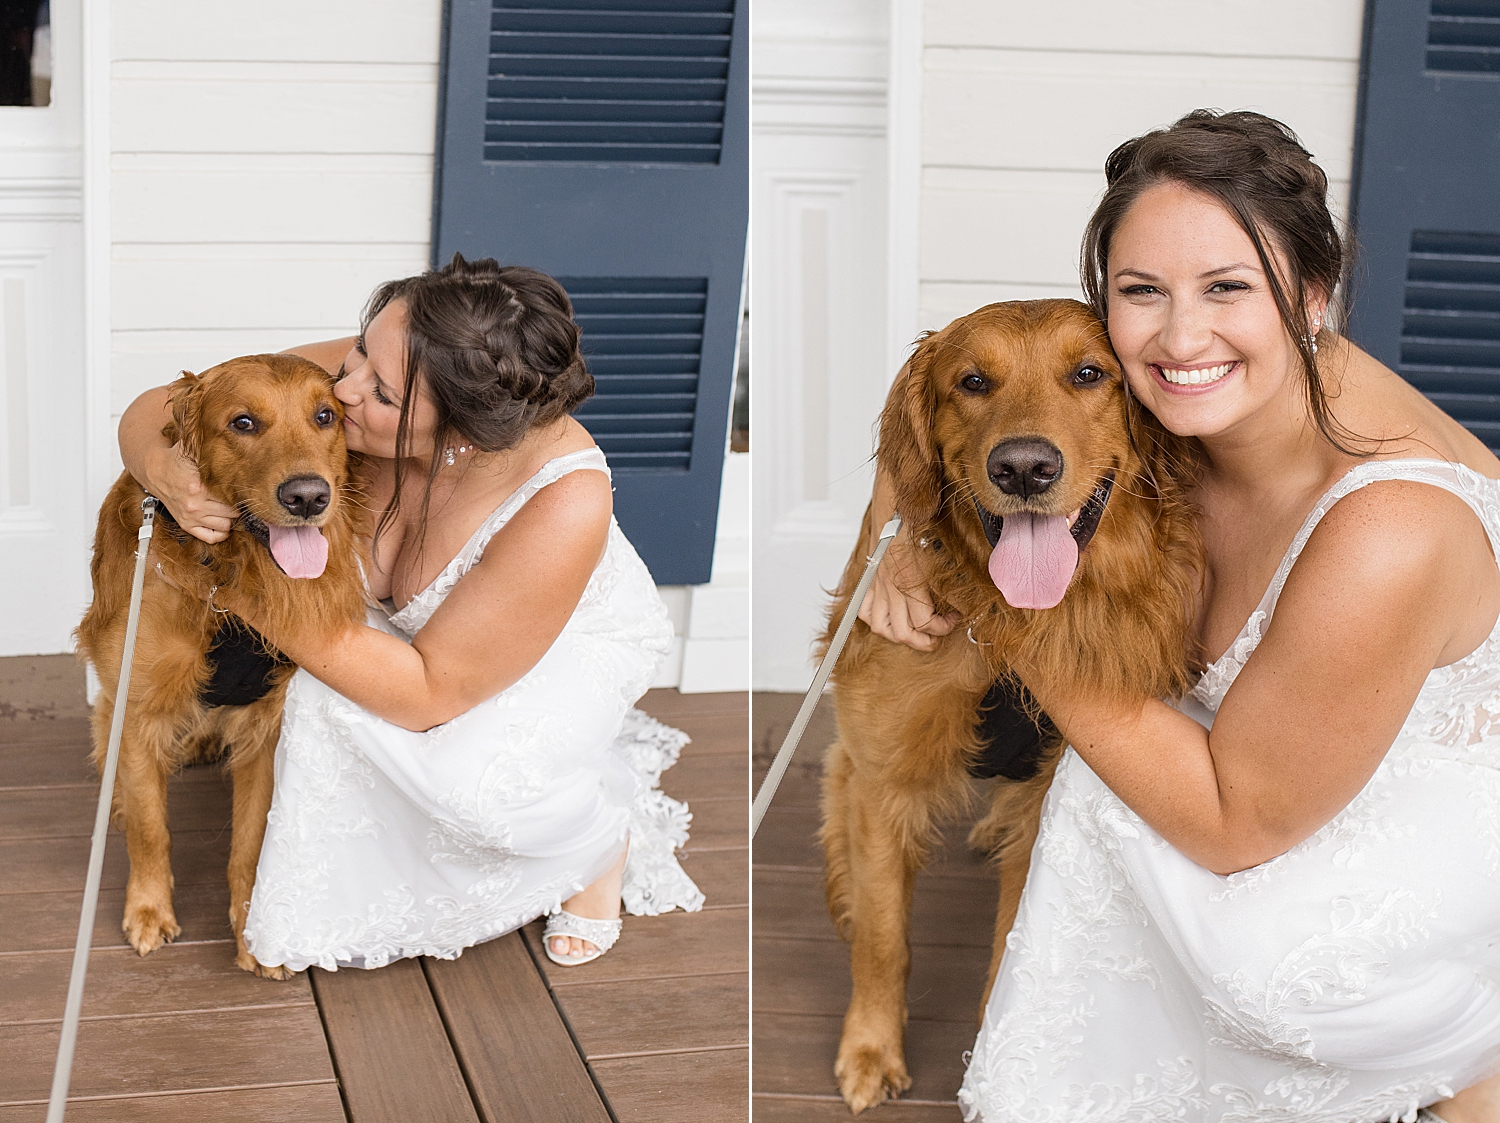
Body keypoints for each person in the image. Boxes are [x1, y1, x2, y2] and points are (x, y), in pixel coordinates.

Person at [859, 112, 1500, 1122]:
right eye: (1142, 292)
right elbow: (969, 404)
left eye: (1228, 289)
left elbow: (1233, 823)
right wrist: (909, 527)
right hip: (1277, 750)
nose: (1181, 336)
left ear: (1313, 301)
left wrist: (972, 571)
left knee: (1102, 800)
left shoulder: (1387, 524)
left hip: (1376, 829)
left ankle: (1459, 1057)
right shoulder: (1166, 402)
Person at [117, 254, 703, 972]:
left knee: (475, 790)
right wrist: (164, 468)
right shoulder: (373, 373)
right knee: (311, 715)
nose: (346, 386)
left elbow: (430, 693)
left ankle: (598, 840)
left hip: (531, 652)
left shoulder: (565, 500)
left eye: (381, 390)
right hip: (402, 640)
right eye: (360, 349)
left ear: (460, 425)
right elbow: (167, 403)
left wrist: (226, 583)